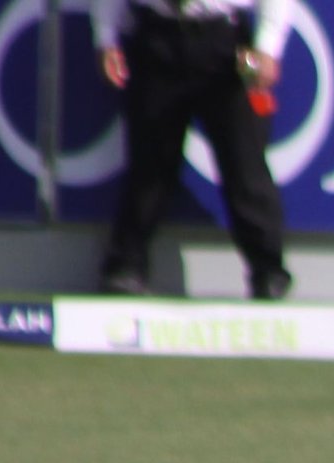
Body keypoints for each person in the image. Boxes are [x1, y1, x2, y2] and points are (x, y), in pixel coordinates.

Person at [94, 0, 296, 302]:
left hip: (225, 43)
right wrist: (105, 37)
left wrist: (268, 45)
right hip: (156, 36)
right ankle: (125, 267)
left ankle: (268, 272)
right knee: (150, 164)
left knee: (244, 164)